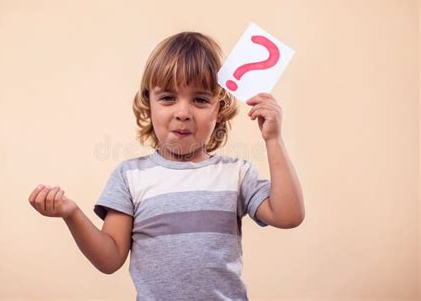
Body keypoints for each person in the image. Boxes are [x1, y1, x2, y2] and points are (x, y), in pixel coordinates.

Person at [28, 31, 305, 300]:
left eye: (200, 99)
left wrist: (273, 139)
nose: (183, 113)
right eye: (168, 98)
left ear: (219, 109)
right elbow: (109, 259)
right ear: (148, 102)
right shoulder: (130, 177)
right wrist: (71, 213)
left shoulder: (237, 174)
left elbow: (288, 215)